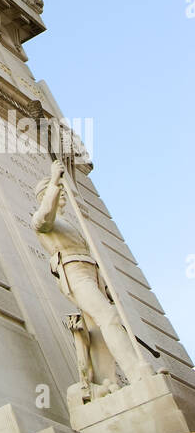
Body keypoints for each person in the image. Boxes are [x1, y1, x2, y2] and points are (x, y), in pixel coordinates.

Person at [32, 163, 150, 388]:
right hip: (73, 272)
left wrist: (105, 286)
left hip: (90, 272)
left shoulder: (69, 223)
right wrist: (54, 180)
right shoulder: (41, 219)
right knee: (109, 318)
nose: (62, 193)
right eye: (56, 191)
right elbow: (46, 217)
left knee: (99, 328)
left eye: (62, 190)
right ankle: (138, 374)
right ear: (44, 195)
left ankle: (105, 383)